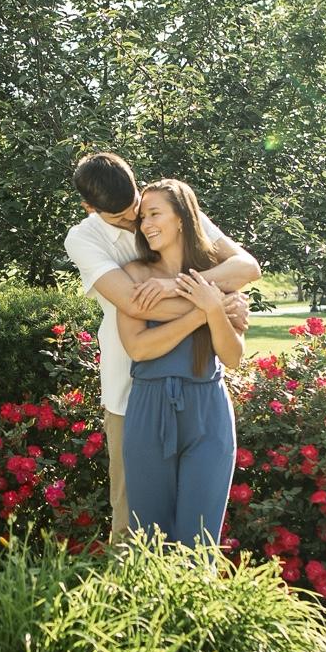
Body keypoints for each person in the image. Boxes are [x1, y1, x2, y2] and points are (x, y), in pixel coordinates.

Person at [63, 153, 258, 539]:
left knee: (197, 529)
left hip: (199, 388)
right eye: (122, 218)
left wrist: (176, 286)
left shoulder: (164, 205)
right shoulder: (84, 239)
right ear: (90, 208)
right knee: (132, 527)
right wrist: (211, 305)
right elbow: (135, 303)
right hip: (130, 390)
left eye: (137, 208)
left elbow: (246, 267)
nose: (136, 222)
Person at [117, 178, 245, 546]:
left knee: (199, 541)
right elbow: (138, 348)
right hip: (150, 408)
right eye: (142, 217)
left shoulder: (219, 275)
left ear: (182, 219)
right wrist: (204, 311)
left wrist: (213, 307)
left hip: (208, 410)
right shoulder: (135, 275)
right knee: (150, 541)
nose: (145, 224)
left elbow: (233, 357)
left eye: (154, 214)